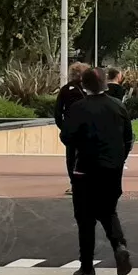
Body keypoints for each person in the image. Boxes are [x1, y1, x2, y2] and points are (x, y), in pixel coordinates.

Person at [60, 68, 133, 275]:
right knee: (109, 211)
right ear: (105, 85)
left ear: (84, 85)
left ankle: (87, 268)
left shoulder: (78, 108)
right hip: (112, 169)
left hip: (85, 169)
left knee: (85, 219)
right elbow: (128, 138)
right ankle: (119, 245)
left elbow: (67, 137)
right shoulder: (118, 106)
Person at [54, 62, 91, 195]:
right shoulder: (91, 88)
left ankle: (74, 184)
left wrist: (63, 127)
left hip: (71, 129)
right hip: (89, 128)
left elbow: (58, 112)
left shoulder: (65, 90)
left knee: (71, 157)